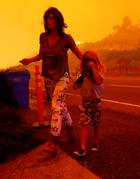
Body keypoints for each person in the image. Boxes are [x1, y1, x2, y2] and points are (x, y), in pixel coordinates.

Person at [20, 7, 82, 153]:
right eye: (47, 18)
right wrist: (29, 60)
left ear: (58, 20)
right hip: (48, 77)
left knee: (56, 104)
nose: (49, 21)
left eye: (52, 18)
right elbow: (42, 54)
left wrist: (92, 62)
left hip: (63, 76)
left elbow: (79, 54)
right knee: (61, 106)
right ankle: (71, 132)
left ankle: (53, 141)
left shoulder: (66, 38)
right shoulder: (42, 36)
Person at [73, 51, 104, 157]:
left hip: (96, 102)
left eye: (91, 61)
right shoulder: (81, 73)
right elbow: (75, 86)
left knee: (95, 124)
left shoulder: (98, 71)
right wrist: (78, 80)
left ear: (95, 61)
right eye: (86, 61)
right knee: (84, 123)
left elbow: (98, 81)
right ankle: (82, 149)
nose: (88, 64)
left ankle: (95, 141)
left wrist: (94, 68)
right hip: (85, 103)